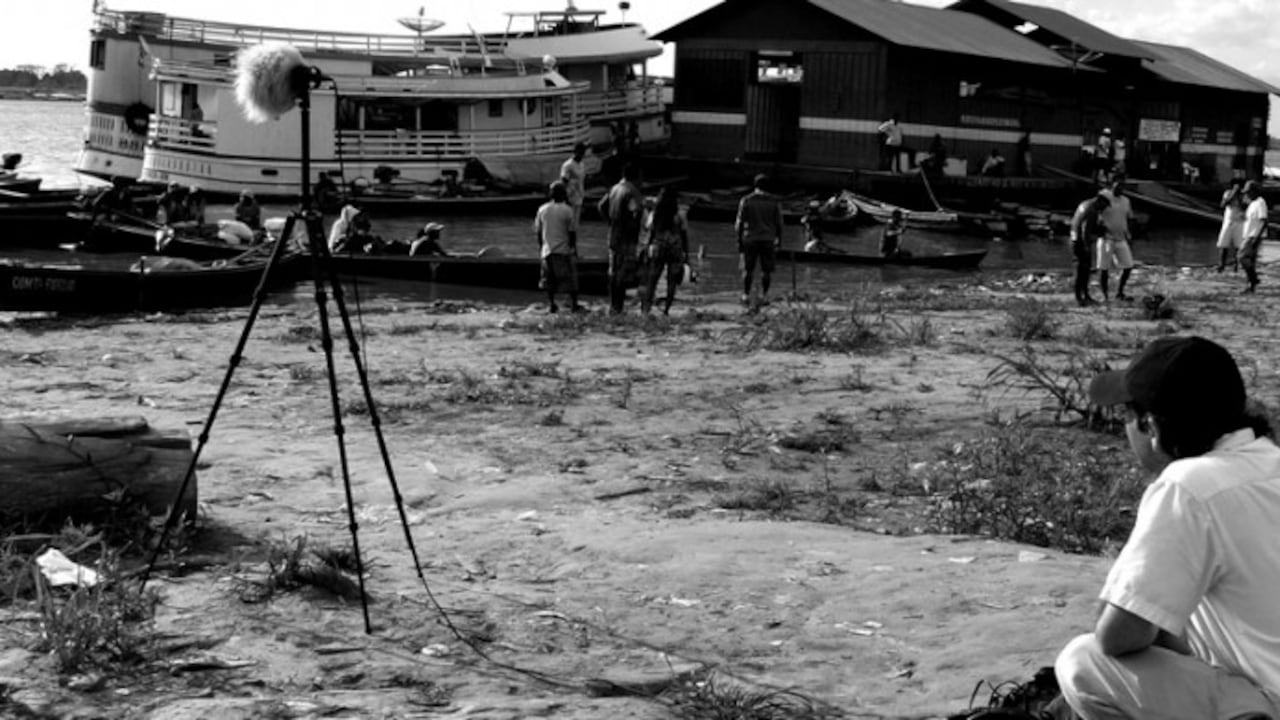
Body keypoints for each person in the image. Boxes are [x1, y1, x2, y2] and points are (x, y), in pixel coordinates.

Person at [1055, 335, 1280, 720]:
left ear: (1152, 425)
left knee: (1083, 661)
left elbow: (1117, 636)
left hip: (1270, 697)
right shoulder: (1270, 462)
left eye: (1128, 415)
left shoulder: (1187, 486)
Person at [596, 163, 645, 314]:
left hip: (613, 235)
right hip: (626, 238)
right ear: (635, 177)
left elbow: (601, 206)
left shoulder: (614, 189)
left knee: (613, 271)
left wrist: (611, 222)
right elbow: (635, 213)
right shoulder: (631, 192)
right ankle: (618, 306)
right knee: (623, 274)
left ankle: (613, 305)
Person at [735, 173, 783, 307]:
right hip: (768, 239)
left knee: (747, 269)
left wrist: (739, 241)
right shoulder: (774, 202)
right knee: (766, 271)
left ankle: (745, 295)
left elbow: (739, 223)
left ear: (754, 185)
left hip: (750, 238)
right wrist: (779, 240)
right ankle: (765, 295)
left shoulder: (747, 200)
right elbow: (779, 224)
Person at [639, 187, 689, 315]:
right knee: (671, 281)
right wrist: (686, 254)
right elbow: (684, 234)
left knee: (653, 278)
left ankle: (646, 308)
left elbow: (650, 231)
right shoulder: (680, 213)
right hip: (675, 247)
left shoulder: (656, 213)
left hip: (659, 246)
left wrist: (646, 247)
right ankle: (666, 310)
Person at [534, 180, 582, 313]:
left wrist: (541, 247)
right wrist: (573, 249)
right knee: (571, 280)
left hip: (547, 250)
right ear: (563, 194)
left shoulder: (542, 209)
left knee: (549, 280)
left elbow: (538, 231)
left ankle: (551, 304)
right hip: (563, 250)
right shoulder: (568, 210)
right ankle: (574, 304)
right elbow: (572, 232)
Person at [1097, 175, 1136, 302]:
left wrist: (1129, 233)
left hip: (1120, 238)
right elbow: (1095, 212)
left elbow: (1129, 217)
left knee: (1128, 265)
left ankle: (1120, 292)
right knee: (1104, 268)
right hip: (1106, 238)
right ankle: (1105, 295)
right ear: (1112, 184)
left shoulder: (1126, 201)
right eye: (1118, 185)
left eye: (1123, 186)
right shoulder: (1104, 196)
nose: (1121, 188)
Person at [1068, 192, 1110, 306]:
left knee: (1082, 269)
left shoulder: (1085, 204)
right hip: (1080, 242)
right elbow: (1085, 229)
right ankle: (1081, 297)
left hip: (1074, 239)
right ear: (1099, 202)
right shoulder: (1092, 210)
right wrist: (1087, 246)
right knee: (1083, 270)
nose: (1103, 209)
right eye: (1103, 206)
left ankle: (1083, 295)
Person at [1239, 179, 1267, 294]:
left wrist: (1256, 238)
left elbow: (1264, 221)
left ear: (1254, 191)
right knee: (1250, 260)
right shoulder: (1252, 203)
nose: (1247, 194)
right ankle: (1250, 286)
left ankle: (1254, 279)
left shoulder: (1260, 202)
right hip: (1248, 235)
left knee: (1241, 256)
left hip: (1253, 236)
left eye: (1248, 192)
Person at [1216, 178, 1246, 273]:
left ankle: (1237, 267)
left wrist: (1239, 196)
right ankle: (1221, 265)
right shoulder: (1228, 193)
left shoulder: (1244, 195)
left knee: (1239, 246)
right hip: (1228, 221)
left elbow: (1245, 207)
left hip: (1240, 222)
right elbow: (1223, 204)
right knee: (1223, 244)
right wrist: (1233, 194)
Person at [560, 141, 588, 227]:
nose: (582, 154)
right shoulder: (568, 165)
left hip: (579, 198)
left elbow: (582, 180)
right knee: (568, 225)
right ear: (575, 151)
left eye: (583, 152)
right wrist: (565, 198)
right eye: (580, 152)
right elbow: (564, 180)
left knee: (575, 225)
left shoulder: (582, 164)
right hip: (569, 198)